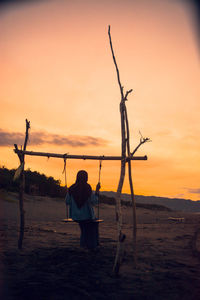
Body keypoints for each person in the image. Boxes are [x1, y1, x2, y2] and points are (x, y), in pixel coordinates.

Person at [65, 170, 101, 249]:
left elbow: (67, 201)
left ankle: (84, 244)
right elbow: (94, 201)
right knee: (93, 225)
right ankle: (93, 245)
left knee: (84, 229)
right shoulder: (87, 187)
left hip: (75, 216)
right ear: (86, 178)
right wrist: (97, 190)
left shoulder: (71, 188)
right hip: (87, 216)